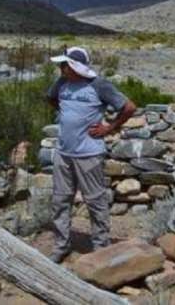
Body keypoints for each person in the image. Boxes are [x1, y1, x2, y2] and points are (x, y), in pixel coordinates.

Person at [46, 46, 136, 263]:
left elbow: (129, 107)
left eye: (64, 65)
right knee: (60, 200)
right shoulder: (62, 83)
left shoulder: (98, 85)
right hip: (64, 153)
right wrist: (66, 113)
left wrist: (109, 128)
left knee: (95, 201)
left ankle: (100, 247)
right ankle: (61, 245)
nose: (61, 68)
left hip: (89, 154)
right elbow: (50, 98)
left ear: (76, 66)